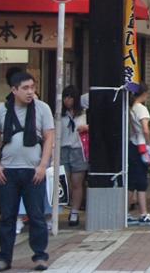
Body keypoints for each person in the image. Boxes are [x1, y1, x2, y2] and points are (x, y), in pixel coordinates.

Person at [0, 70, 55, 272]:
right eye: (25, 88)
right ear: (14, 90)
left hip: (33, 171)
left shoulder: (42, 108)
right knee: (7, 217)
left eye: (32, 87)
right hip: (8, 171)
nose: (30, 92)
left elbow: (49, 137)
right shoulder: (2, 110)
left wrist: (43, 165)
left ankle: (40, 256)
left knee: (36, 216)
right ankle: (4, 258)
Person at [126, 82, 150, 226]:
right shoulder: (142, 109)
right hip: (141, 147)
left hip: (132, 145)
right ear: (144, 94)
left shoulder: (131, 108)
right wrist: (149, 144)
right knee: (141, 182)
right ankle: (143, 214)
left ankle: (125, 213)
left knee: (132, 182)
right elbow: (145, 129)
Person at [58, 87, 89, 227]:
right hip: (63, 149)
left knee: (77, 182)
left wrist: (87, 128)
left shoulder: (83, 114)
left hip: (78, 150)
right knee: (64, 181)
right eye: (65, 97)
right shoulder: (59, 115)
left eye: (70, 97)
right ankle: (64, 207)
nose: (67, 100)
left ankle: (75, 212)